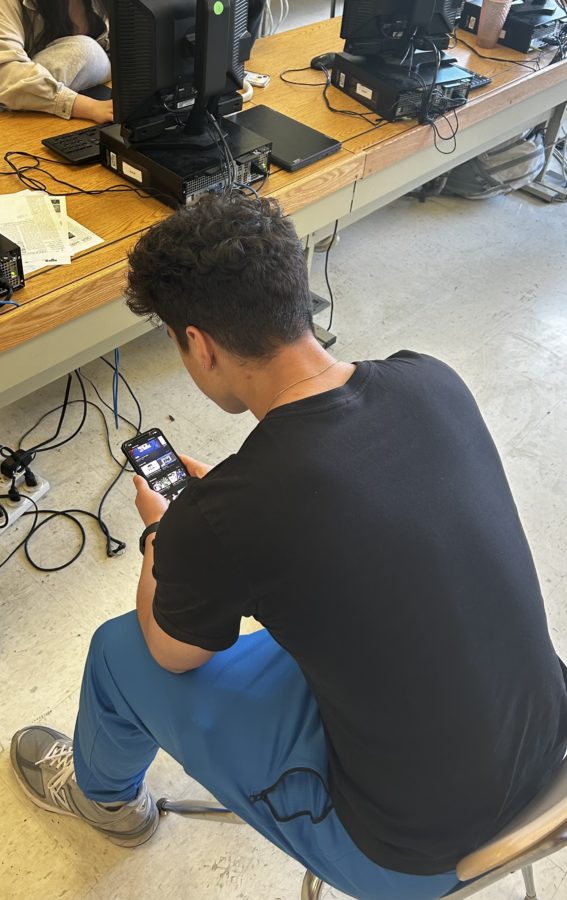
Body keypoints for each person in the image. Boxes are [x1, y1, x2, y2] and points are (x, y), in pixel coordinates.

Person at [11, 194, 567, 900]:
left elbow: (172, 651)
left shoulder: (224, 513)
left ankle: (106, 805)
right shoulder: (430, 378)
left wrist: (165, 534)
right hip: (547, 744)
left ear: (200, 346)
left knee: (119, 653)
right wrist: (212, 526)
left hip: (411, 848)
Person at [0, 0, 112, 122]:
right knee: (84, 50)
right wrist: (88, 107)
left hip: (86, 96)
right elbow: (6, 74)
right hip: (16, 117)